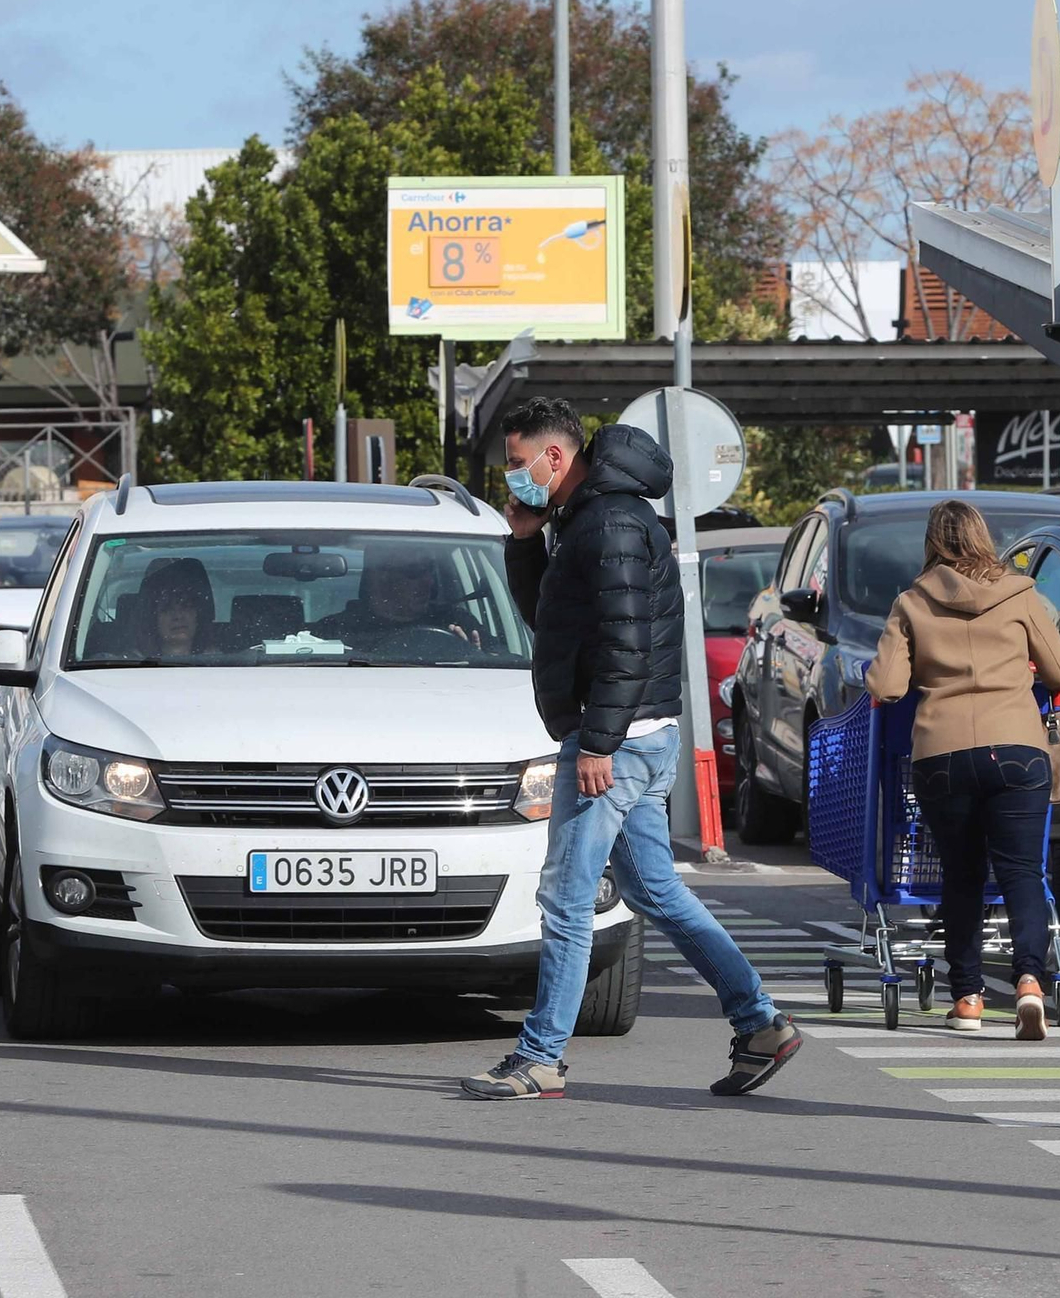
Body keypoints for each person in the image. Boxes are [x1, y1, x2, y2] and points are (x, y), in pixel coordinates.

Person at [461, 396, 803, 1101]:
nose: (511, 480)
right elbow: (552, 622)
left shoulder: (611, 521)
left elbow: (625, 643)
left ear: (555, 458)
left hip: (614, 741)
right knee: (656, 889)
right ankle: (761, 1021)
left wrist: (598, 739)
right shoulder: (589, 516)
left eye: (519, 466)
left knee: (564, 894)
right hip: (636, 736)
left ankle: (541, 1056)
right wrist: (524, 540)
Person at [864, 500, 1060, 1041]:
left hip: (943, 755)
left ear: (932, 542)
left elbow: (886, 686)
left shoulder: (911, 603)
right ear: (983, 537)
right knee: (1021, 871)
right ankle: (1030, 982)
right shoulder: (1021, 593)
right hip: (1016, 749)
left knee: (961, 876)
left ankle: (967, 997)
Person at [320, 547, 482, 649]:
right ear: (380, 577)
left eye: (429, 570)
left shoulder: (459, 623)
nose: (428, 581)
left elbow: (499, 663)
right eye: (415, 571)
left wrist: (474, 656)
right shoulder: (333, 631)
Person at [134, 557, 214, 659]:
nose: (178, 616)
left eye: (186, 607)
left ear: (198, 614)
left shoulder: (225, 666)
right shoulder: (126, 666)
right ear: (153, 618)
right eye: (167, 609)